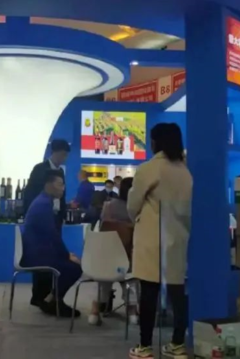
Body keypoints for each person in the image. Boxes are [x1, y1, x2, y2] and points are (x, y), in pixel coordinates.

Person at [127, 123, 192, 359]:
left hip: (152, 238)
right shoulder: (185, 171)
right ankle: (177, 344)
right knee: (177, 292)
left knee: (149, 292)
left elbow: (132, 205)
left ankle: (145, 347)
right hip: (178, 238)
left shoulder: (149, 169)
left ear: (155, 142)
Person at [21, 170, 82, 317]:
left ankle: (51, 300)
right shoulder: (43, 205)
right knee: (75, 268)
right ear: (48, 185)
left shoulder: (43, 201)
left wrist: (65, 254)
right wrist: (67, 255)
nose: (63, 188)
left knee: (70, 265)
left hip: (38, 252)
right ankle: (54, 301)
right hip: (37, 256)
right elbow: (53, 236)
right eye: (60, 184)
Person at [23, 139, 70, 310]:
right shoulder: (40, 169)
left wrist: (62, 215)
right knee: (42, 256)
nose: (64, 158)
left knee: (53, 256)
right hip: (42, 217)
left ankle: (49, 295)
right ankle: (38, 296)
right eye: (63, 154)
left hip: (55, 218)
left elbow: (63, 196)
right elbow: (29, 193)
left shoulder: (61, 172)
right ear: (55, 152)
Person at [90, 177, 135, 326]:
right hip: (126, 260)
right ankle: (132, 310)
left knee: (103, 278)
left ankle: (94, 310)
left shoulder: (108, 206)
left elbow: (103, 227)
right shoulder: (135, 210)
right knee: (132, 276)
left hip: (105, 258)